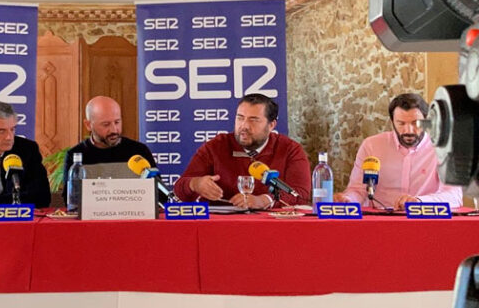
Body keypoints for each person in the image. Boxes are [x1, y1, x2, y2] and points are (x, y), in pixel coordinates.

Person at [174, 94, 311, 208]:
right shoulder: (215, 146)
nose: (244, 126)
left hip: (270, 226)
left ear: (271, 125)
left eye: (253, 120)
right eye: (240, 118)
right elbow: (179, 190)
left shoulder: (290, 150)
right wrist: (195, 184)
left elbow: (301, 194)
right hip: (220, 226)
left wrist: (264, 200)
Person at [333, 93, 463, 209]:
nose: (408, 130)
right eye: (401, 123)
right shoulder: (372, 145)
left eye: (416, 123)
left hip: (424, 219)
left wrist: (419, 202)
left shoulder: (444, 148)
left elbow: (454, 195)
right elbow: (358, 190)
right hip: (380, 220)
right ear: (392, 122)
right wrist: (347, 199)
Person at [62, 96, 156, 202]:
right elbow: (70, 200)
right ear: (88, 125)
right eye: (106, 124)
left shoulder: (139, 151)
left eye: (117, 122)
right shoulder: (75, 156)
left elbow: (157, 195)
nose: (114, 130)